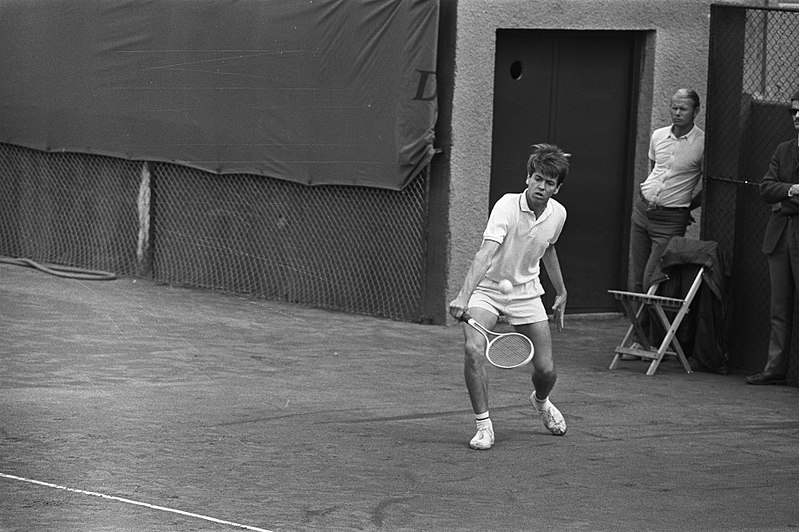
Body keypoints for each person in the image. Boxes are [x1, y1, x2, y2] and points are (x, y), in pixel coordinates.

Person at [448, 143, 569, 450]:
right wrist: (464, 296)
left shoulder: (558, 215)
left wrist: (561, 290)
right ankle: (484, 425)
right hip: (487, 291)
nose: (541, 186)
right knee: (473, 349)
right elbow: (486, 254)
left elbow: (549, 248)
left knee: (546, 370)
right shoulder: (506, 206)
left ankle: (541, 402)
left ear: (558, 188)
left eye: (549, 182)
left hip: (527, 293)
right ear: (528, 178)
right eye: (537, 178)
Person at [629, 89, 705, 295]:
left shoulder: (701, 143)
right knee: (636, 280)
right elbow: (655, 169)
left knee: (651, 280)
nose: (677, 113)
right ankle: (639, 328)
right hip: (643, 211)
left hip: (670, 220)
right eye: (674, 108)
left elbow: (707, 185)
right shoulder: (659, 135)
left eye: (683, 109)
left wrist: (688, 205)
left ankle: (656, 327)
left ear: (696, 111)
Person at [747, 90, 799, 386]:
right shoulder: (784, 149)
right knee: (779, 307)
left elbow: (774, 197)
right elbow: (766, 188)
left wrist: (782, 201)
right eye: (793, 112)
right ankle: (774, 367)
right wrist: (792, 190)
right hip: (779, 237)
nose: (797, 116)